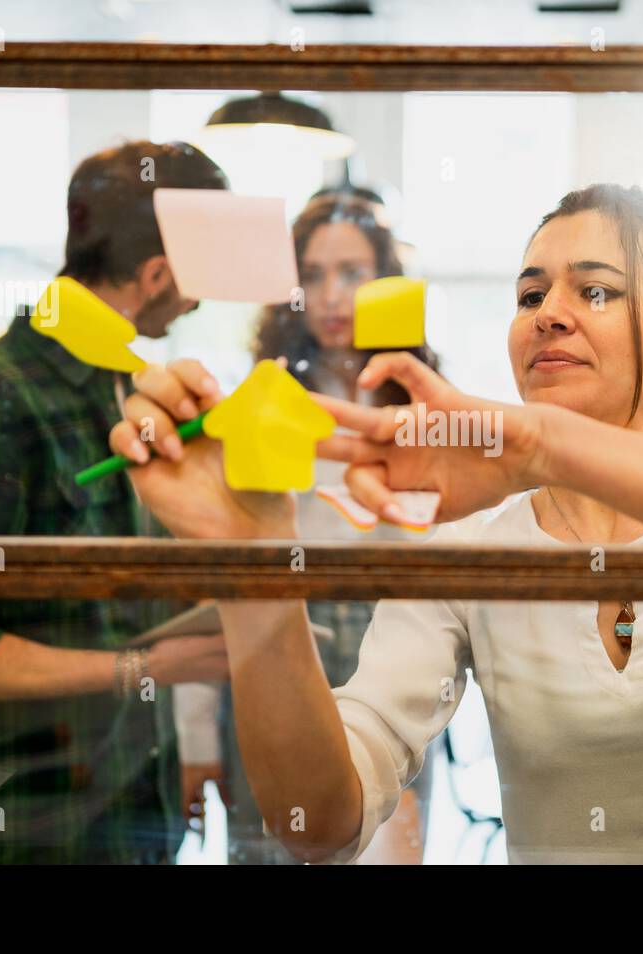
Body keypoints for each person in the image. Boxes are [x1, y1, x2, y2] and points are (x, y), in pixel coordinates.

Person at [109, 184, 643, 863]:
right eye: (529, 296)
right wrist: (252, 563)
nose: (549, 314)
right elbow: (318, 824)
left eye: (594, 291)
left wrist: (545, 446)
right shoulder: (468, 551)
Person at [0, 141, 233, 864]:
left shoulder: (125, 395)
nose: (201, 300)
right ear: (157, 273)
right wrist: (151, 669)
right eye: (197, 278)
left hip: (119, 816)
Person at [201, 191, 439, 862]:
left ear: (387, 279)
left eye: (354, 272)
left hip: (398, 650)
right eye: (313, 273)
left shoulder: (426, 399)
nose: (332, 295)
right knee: (272, 848)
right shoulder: (260, 395)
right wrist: (194, 740)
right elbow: (222, 572)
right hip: (277, 646)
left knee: (392, 849)